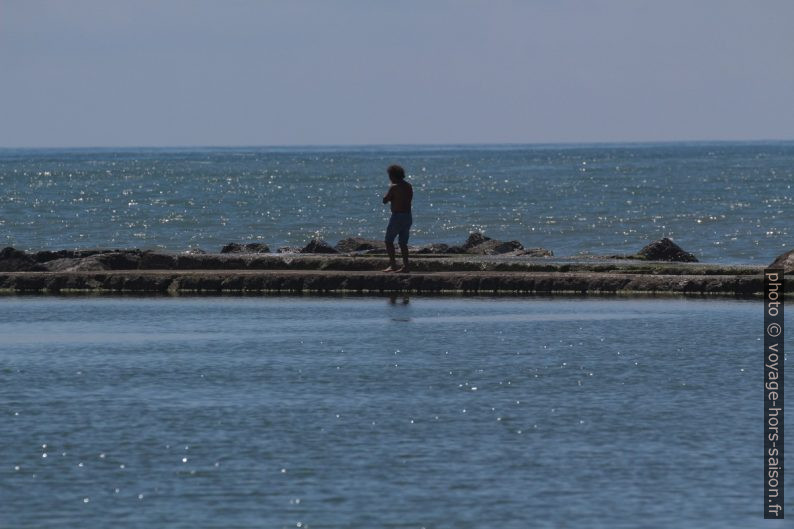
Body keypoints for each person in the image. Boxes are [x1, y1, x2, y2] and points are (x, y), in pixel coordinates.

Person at [382, 164, 413, 273]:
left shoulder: (394, 187)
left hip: (397, 216)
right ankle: (406, 266)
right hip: (408, 216)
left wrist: (388, 197)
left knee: (388, 241)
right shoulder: (409, 186)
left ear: (393, 175)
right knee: (403, 243)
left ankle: (393, 265)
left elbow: (385, 200)